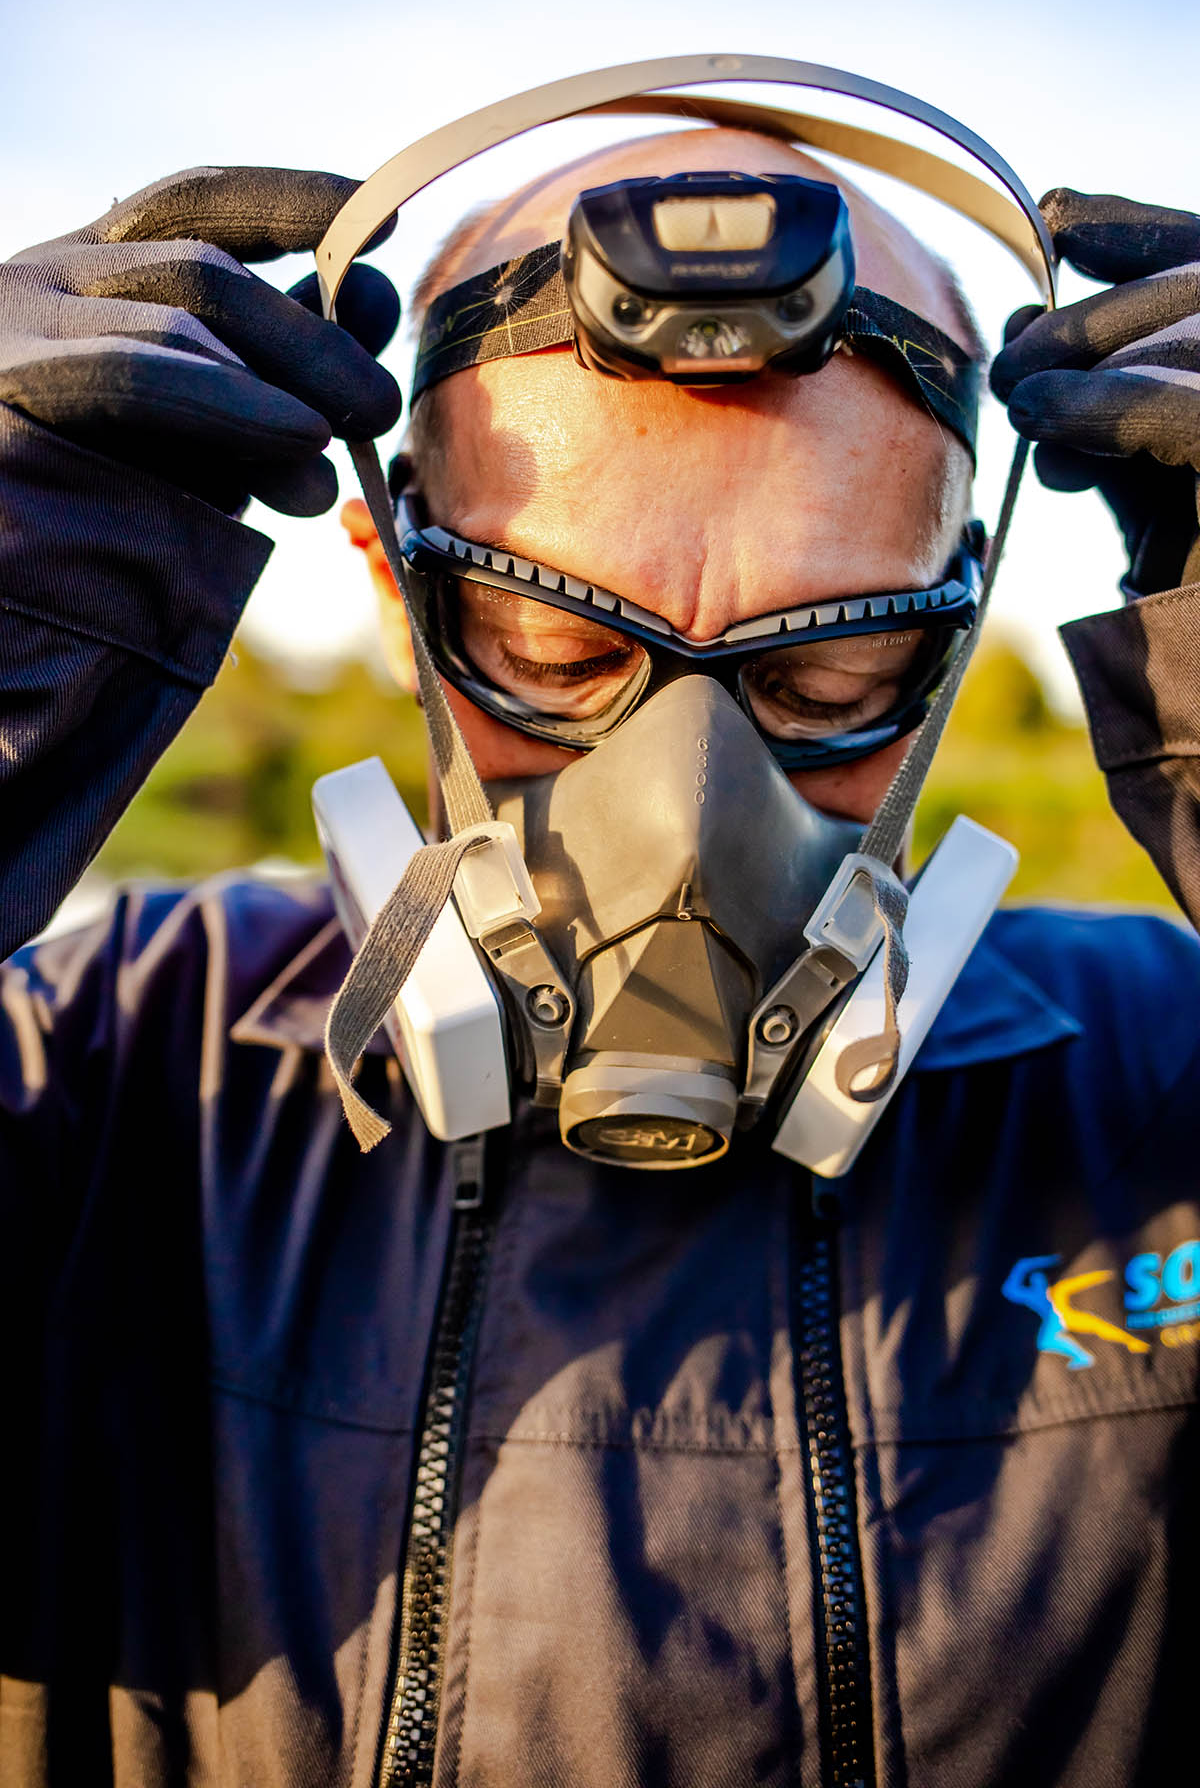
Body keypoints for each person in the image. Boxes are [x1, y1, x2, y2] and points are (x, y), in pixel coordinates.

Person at [1, 102, 1199, 1787]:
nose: (685, 807)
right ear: (391, 570)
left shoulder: (1167, 1088)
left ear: (964, 603)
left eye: (831, 680)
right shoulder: (115, 1062)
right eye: (554, 651)